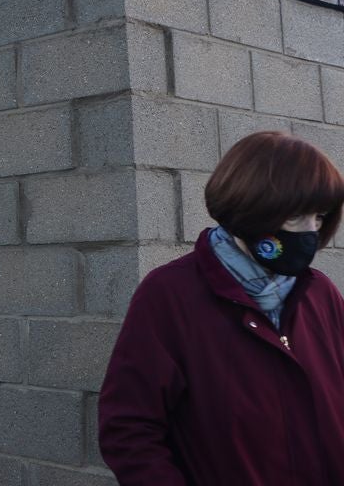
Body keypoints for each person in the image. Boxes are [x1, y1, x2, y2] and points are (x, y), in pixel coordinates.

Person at [99, 131, 344, 485]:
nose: (311, 232)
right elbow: (128, 430)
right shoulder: (170, 295)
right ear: (251, 210)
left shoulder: (319, 293)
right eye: (296, 218)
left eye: (319, 217)